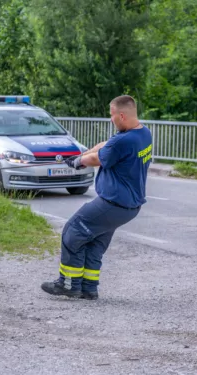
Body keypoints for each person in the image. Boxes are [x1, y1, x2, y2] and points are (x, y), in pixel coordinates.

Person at [41, 95, 152, 300]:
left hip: (112, 203)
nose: (110, 119)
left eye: (111, 116)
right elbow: (105, 145)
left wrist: (78, 163)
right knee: (94, 243)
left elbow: (97, 157)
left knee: (73, 231)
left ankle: (68, 284)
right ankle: (88, 288)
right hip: (128, 207)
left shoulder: (123, 141)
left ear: (121, 115)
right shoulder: (143, 134)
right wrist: (79, 156)